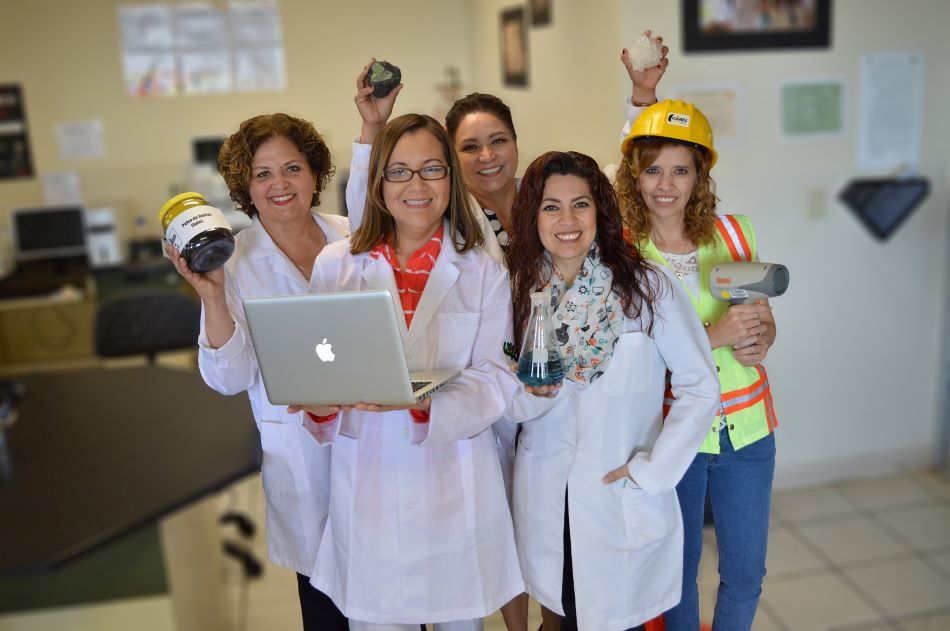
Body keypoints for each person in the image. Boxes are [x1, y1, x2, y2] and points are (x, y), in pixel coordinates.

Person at [295, 113, 525, 631]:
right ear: (378, 182)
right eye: (399, 172)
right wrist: (319, 403)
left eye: (431, 170)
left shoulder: (483, 270)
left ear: (451, 178)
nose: (416, 186)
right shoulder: (338, 265)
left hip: (454, 481)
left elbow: (496, 377)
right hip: (370, 487)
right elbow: (319, 366)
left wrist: (425, 405)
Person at [505, 151, 720, 631]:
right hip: (546, 497)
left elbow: (700, 385)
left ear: (600, 211)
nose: (567, 220)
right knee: (560, 616)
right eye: (550, 206)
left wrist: (653, 471)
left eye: (580, 204)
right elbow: (504, 393)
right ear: (531, 216)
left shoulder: (646, 287)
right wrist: (527, 394)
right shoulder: (517, 290)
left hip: (619, 491)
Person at [165, 113, 349, 631]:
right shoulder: (233, 263)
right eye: (263, 174)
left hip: (374, 438)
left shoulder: (354, 236)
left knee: (396, 596)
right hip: (302, 453)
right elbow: (229, 377)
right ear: (245, 187)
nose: (280, 185)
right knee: (328, 608)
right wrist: (212, 295)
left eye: (292, 168)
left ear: (315, 173)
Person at [614, 99, 779, 631]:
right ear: (634, 177)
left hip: (747, 431)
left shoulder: (734, 235)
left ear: (699, 176)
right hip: (675, 437)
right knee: (676, 576)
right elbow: (628, 362)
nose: (667, 184)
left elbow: (759, 318)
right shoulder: (624, 257)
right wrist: (716, 336)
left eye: (681, 169)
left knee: (746, 575)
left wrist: (762, 335)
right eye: (653, 169)